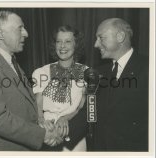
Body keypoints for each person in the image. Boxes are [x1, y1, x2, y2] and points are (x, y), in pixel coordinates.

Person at [0, 10, 64, 151]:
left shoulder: (12, 63)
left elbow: (22, 107)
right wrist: (41, 135)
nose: (26, 33)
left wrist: (40, 123)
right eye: (20, 28)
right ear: (0, 34)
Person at [91, 18, 148, 151]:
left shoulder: (149, 68)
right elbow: (90, 112)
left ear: (120, 37)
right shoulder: (99, 72)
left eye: (101, 38)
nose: (95, 44)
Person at [32, 25, 88, 151]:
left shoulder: (86, 73)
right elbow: (38, 103)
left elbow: (81, 107)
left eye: (68, 41)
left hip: (73, 132)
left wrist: (65, 118)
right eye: (59, 41)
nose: (62, 46)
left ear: (76, 45)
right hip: (46, 131)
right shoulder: (41, 72)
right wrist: (41, 121)